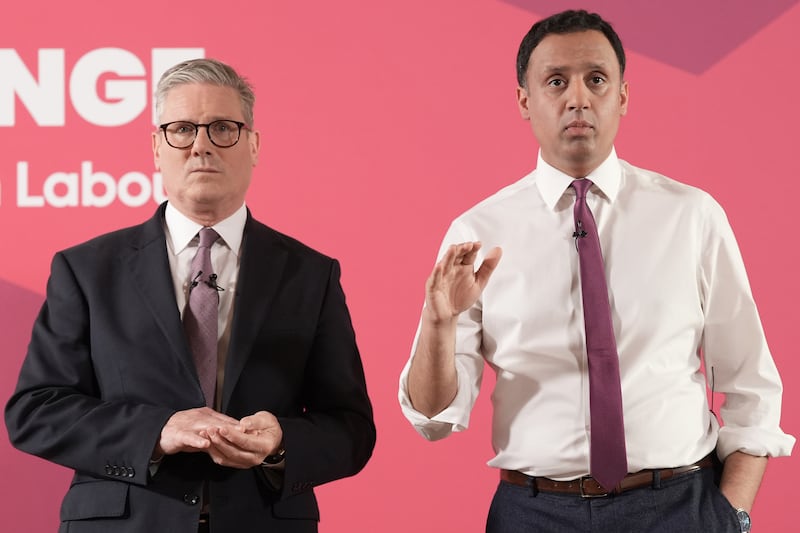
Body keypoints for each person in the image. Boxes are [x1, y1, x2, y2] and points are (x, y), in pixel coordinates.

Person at [398, 9, 793, 533]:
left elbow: (750, 380)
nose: (577, 98)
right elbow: (433, 419)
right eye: (556, 81)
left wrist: (731, 514)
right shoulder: (478, 233)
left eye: (597, 80)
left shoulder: (691, 215)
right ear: (525, 101)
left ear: (623, 96)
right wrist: (438, 324)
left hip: (678, 506)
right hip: (533, 512)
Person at [6, 58, 375, 533]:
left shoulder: (310, 274)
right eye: (181, 129)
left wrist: (282, 444)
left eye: (223, 128)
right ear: (156, 148)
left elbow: (350, 428)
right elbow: (37, 410)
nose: (201, 145)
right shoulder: (86, 269)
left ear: (255, 145)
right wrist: (157, 431)